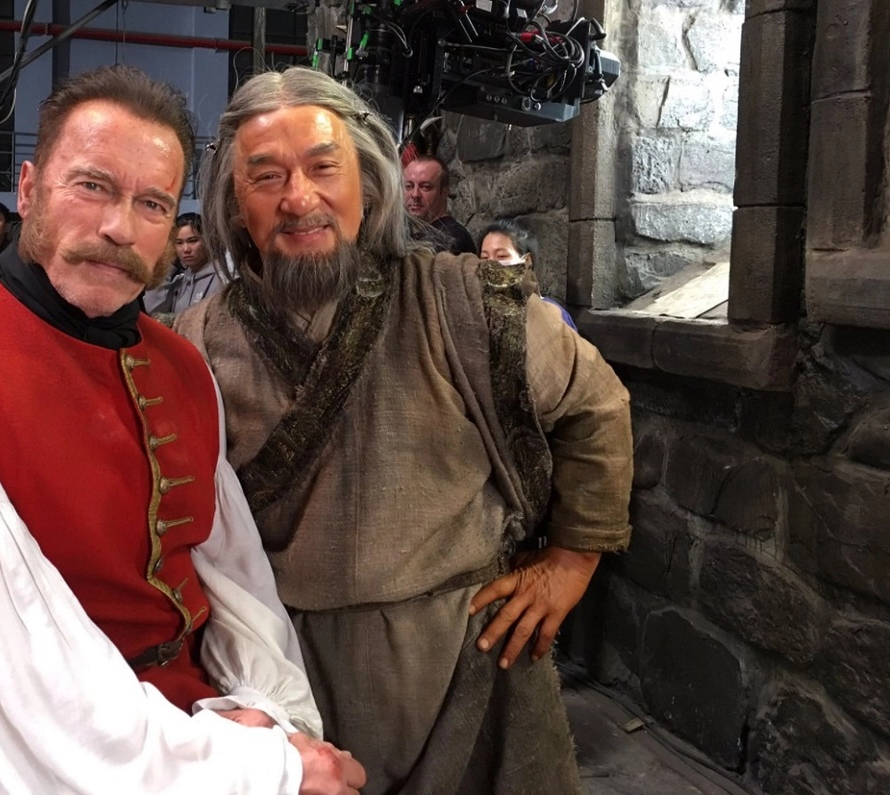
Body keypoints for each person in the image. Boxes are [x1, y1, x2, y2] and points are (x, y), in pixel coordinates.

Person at [0, 65, 364, 795]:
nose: (119, 228)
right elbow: (11, 689)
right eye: (92, 186)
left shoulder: (186, 369)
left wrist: (259, 709)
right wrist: (261, 769)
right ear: (28, 189)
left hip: (196, 732)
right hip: (27, 760)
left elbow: (232, 585)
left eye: (152, 203)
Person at [177, 67, 633, 794]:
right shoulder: (195, 343)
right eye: (266, 176)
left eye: (324, 167)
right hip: (285, 679)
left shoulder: (464, 302)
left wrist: (572, 562)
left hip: (473, 666)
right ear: (235, 203)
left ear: (368, 182)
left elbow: (595, 405)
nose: (299, 198)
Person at [479, 218, 578, 330]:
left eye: (502, 256)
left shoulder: (552, 315)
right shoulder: (474, 311)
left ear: (527, 261)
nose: (490, 264)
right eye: (484, 258)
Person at [148, 212, 227, 315]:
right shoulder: (179, 282)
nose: (186, 249)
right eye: (179, 243)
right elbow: (155, 312)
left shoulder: (222, 279)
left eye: (192, 241)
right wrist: (166, 264)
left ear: (206, 240)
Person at [403, 155, 477, 254]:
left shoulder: (451, 238)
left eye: (425, 187)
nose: (415, 194)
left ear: (445, 191)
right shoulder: (414, 233)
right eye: (409, 186)